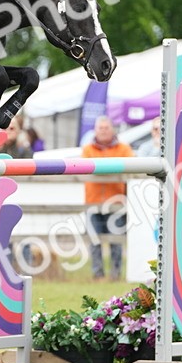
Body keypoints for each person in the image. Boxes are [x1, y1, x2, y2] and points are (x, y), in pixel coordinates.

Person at [81, 116, 135, 281]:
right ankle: (98, 275)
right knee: (94, 241)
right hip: (93, 202)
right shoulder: (88, 149)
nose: (103, 131)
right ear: (95, 130)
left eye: (106, 127)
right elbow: (85, 168)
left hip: (116, 202)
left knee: (116, 240)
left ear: (112, 130)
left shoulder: (124, 149)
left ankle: (115, 275)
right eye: (100, 128)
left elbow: (132, 168)